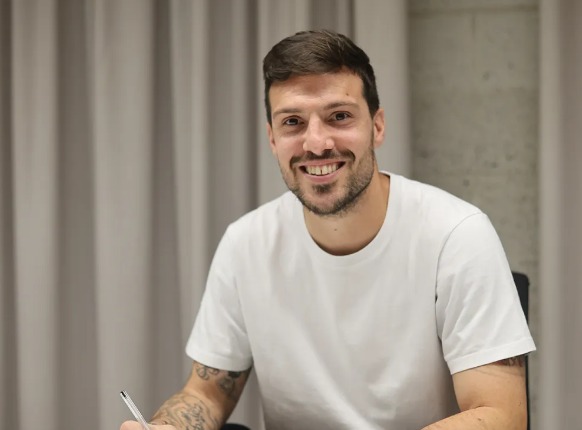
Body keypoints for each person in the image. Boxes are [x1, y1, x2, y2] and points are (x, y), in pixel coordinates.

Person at [121, 30, 535, 430]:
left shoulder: (457, 235)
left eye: (339, 117)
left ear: (377, 126)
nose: (316, 143)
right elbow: (206, 394)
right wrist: (167, 426)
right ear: (272, 139)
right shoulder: (246, 243)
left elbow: (501, 415)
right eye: (293, 122)